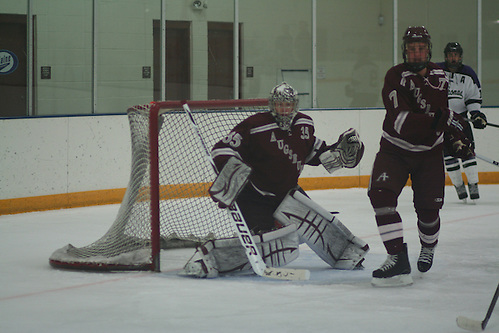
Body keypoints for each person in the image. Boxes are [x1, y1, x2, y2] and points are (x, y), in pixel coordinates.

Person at [182, 82, 368, 278]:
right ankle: (207, 260)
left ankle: (347, 254)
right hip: (255, 197)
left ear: (295, 105)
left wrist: (338, 153)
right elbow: (221, 150)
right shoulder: (255, 125)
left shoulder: (304, 125)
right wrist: (231, 176)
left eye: (288, 105)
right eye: (280, 104)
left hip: (288, 194)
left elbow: (313, 152)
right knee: (271, 245)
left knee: (319, 226)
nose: (284, 109)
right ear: (272, 105)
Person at [368, 26, 474, 287]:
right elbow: (403, 122)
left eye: (421, 49)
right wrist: (442, 120)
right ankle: (396, 257)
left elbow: (444, 114)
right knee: (380, 196)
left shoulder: (440, 75)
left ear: (428, 50)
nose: (416, 54)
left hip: (429, 154)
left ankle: (428, 247)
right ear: (405, 51)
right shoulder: (395, 77)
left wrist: (454, 138)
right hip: (395, 149)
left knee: (428, 211)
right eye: (411, 49)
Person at [436, 42, 487, 201]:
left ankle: (473, 185)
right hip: (443, 122)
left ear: (460, 56)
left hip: (462, 120)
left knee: (468, 153)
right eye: (450, 55)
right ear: (445, 56)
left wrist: (476, 114)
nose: (453, 58)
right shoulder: (436, 71)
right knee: (448, 157)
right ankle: (459, 186)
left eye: (456, 55)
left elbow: (473, 97)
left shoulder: (469, 74)